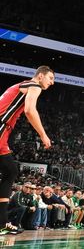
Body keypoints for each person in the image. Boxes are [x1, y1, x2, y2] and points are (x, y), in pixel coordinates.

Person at [0, 65, 54, 236]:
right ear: (40, 76)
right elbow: (30, 110)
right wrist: (43, 135)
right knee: (10, 171)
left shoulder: (21, 86)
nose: (52, 83)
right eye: (50, 78)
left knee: (10, 171)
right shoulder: (34, 85)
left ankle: (2, 222)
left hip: (3, 131)